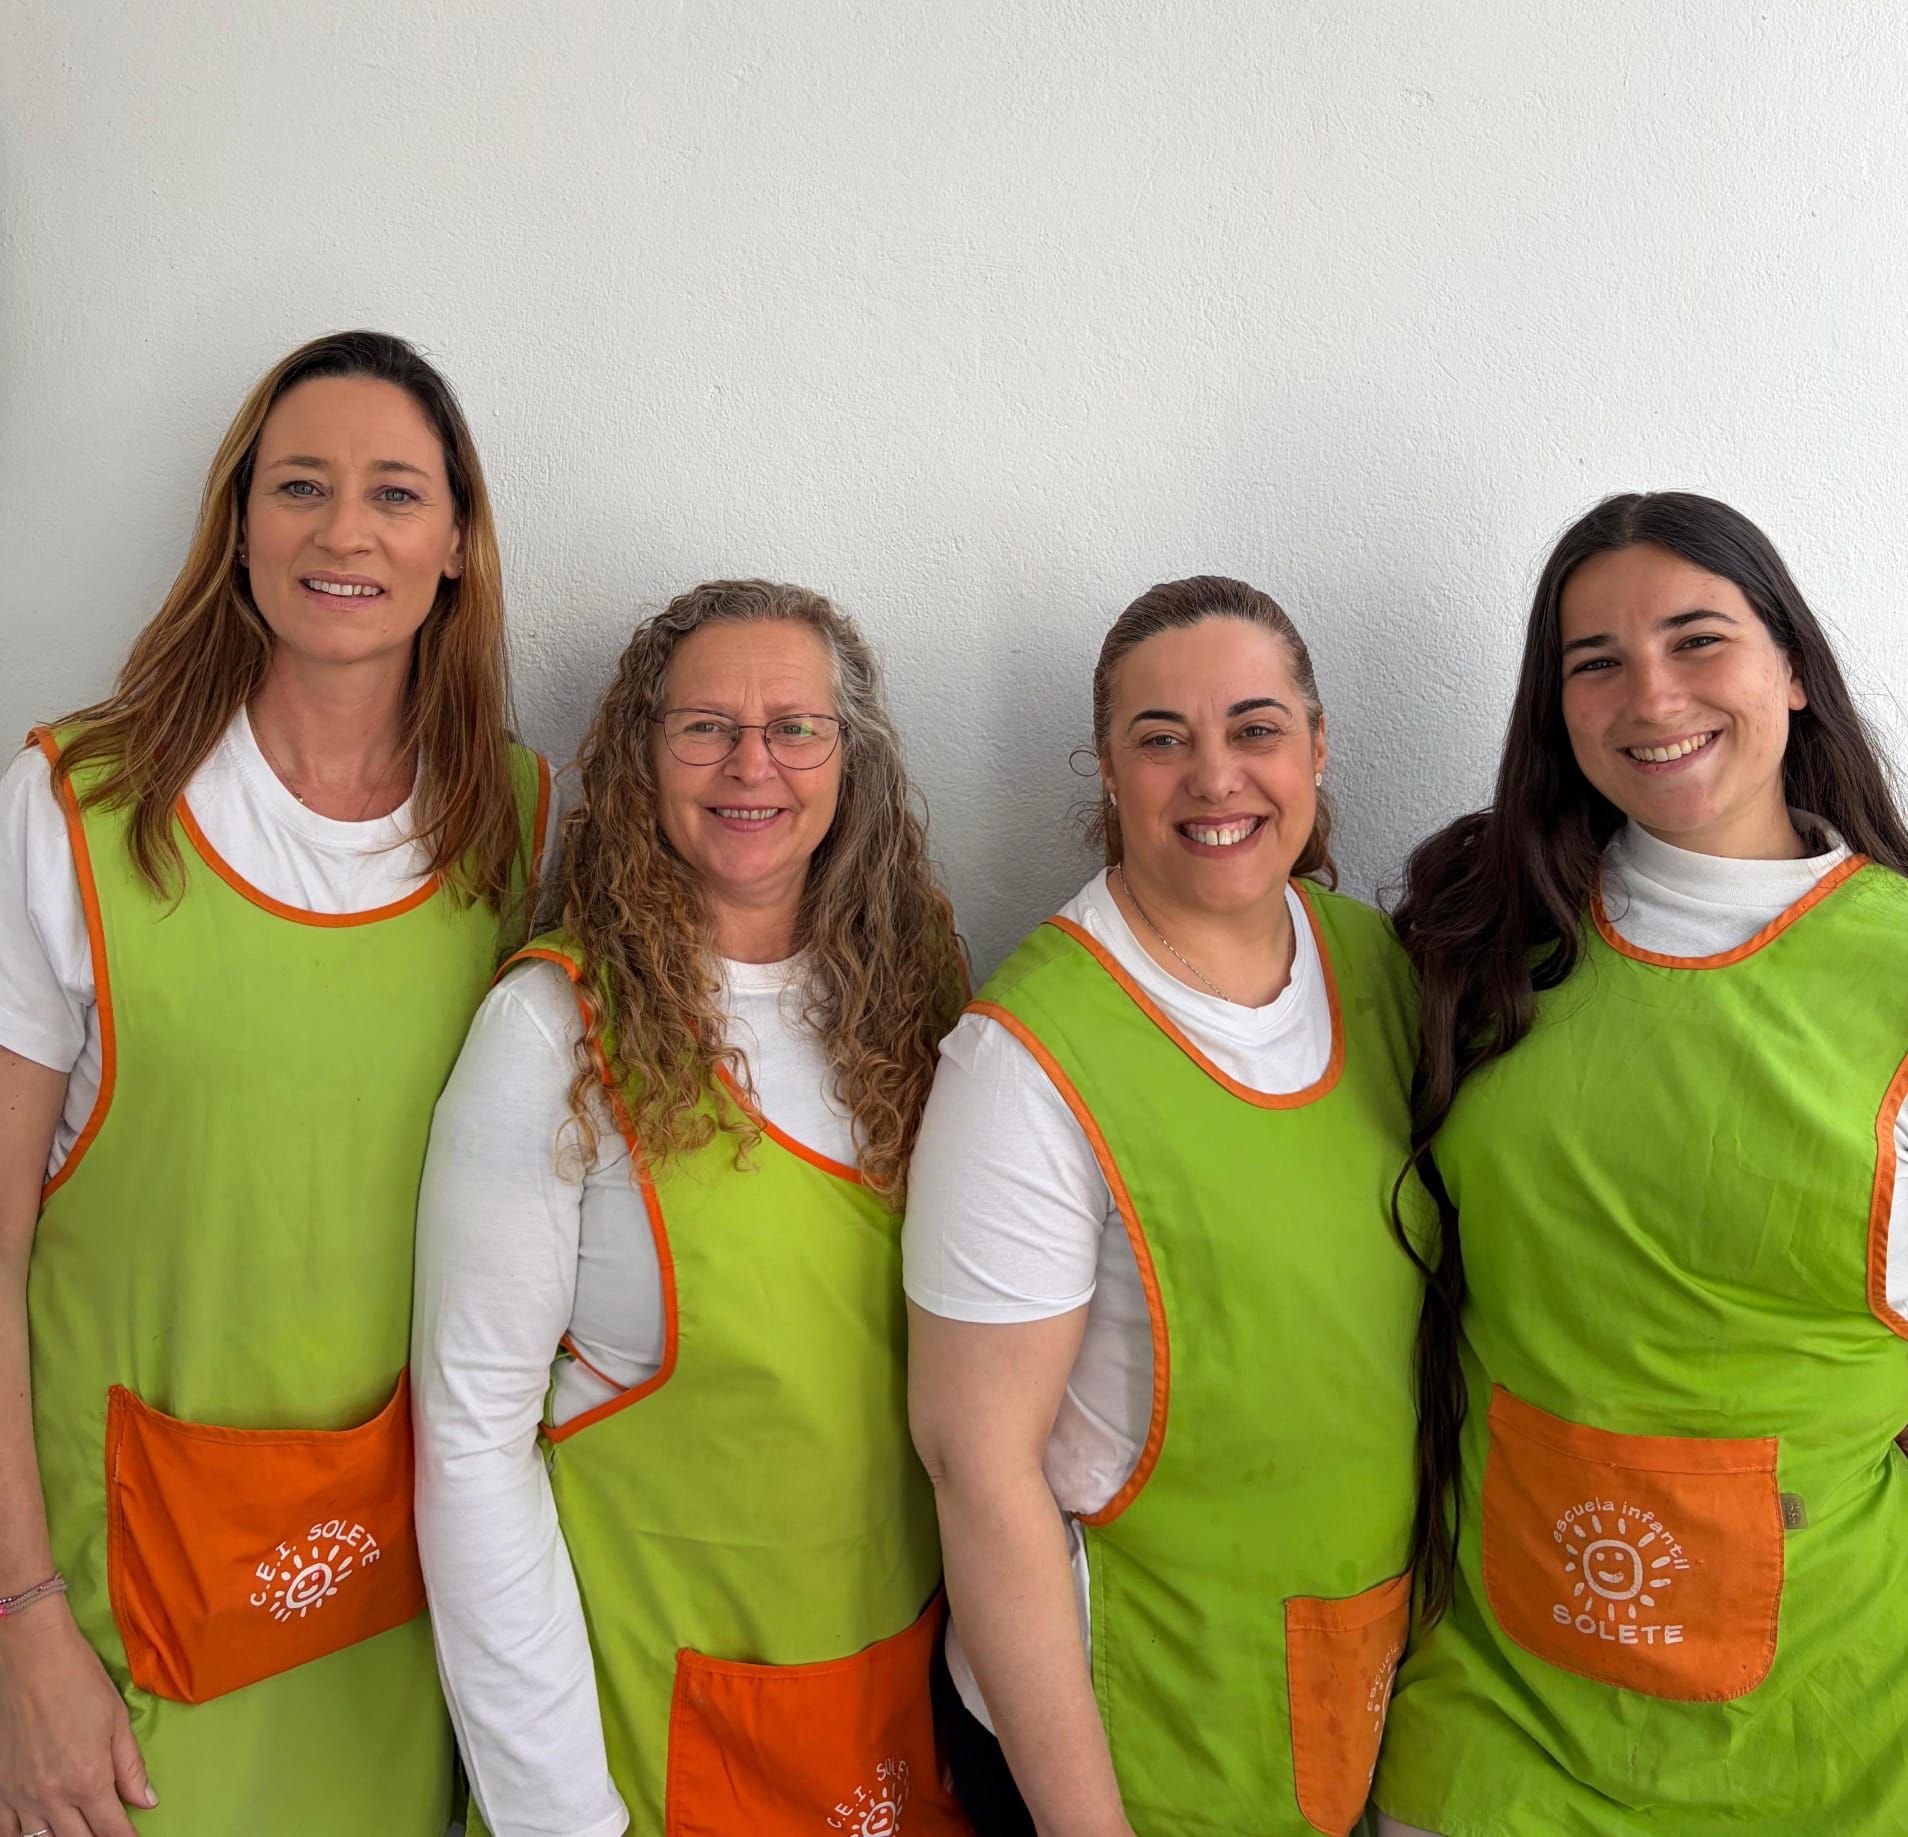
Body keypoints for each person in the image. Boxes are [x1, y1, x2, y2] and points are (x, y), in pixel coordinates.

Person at [0, 329, 550, 1837]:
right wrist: (21, 1629)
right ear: (237, 526)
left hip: (393, 1607)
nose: (345, 531)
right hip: (122, 1620)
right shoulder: (75, 814)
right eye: (299, 486)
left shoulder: (508, 820)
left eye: (395, 493)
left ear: (456, 545)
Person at [1373, 493, 1908, 1837]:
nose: (1649, 693)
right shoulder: (1474, 936)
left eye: (1697, 639)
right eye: (1594, 660)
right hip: (1495, 1718)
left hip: (1828, 1727)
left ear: (1792, 665)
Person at [414, 579, 972, 1837]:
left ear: (853, 759)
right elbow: (469, 1448)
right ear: (639, 755)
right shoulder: (552, 1030)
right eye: (704, 727)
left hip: (897, 1707)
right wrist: (560, 1816)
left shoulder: (916, 985)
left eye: (796, 727)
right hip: (660, 1739)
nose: (751, 764)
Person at [906, 575, 1428, 1837]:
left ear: (1316, 745)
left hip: (1344, 1680)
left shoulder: (1376, 966)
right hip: (1129, 1729)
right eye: (1161, 739)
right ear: (1106, 772)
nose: (1215, 776)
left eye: (1254, 728)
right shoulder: (1027, 1060)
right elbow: (979, 1476)